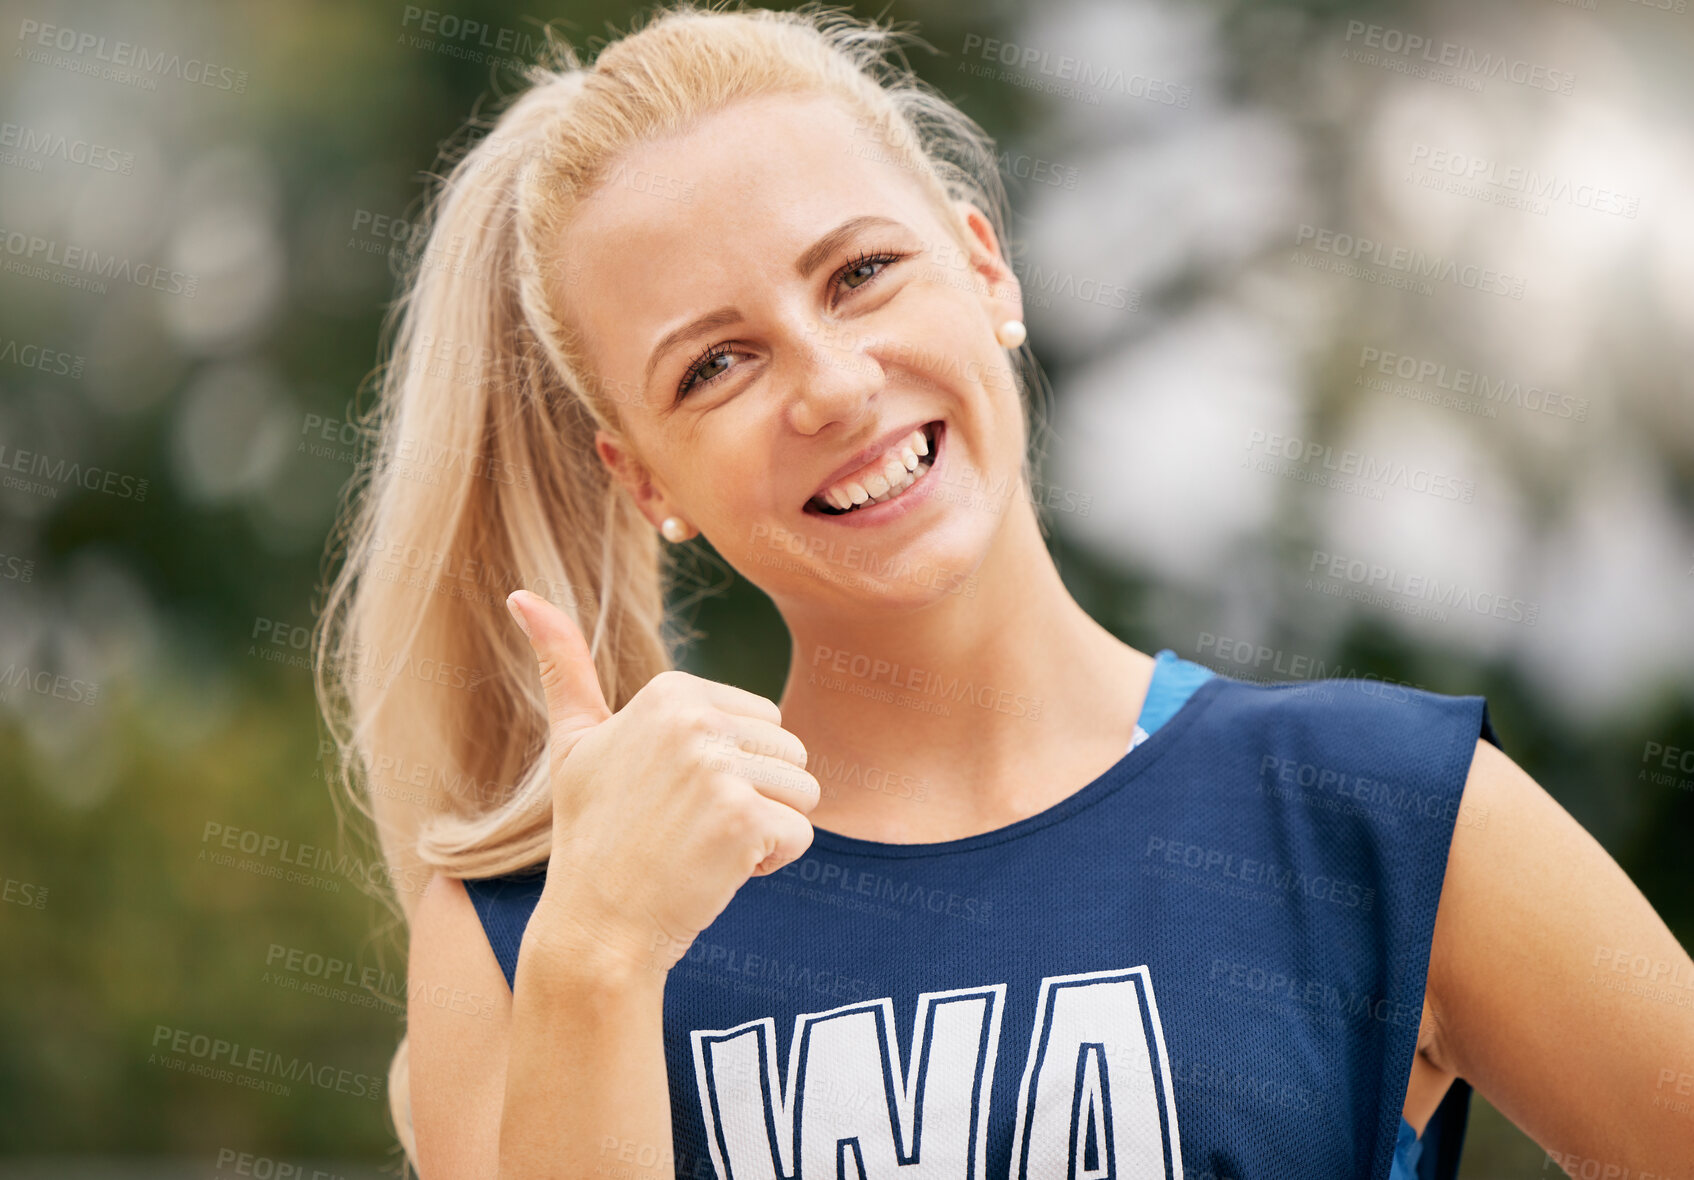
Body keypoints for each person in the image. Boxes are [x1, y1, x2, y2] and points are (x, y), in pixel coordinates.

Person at [311, 3, 1694, 1177]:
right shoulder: (533, 927)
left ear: (983, 271)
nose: (832, 385)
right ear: (642, 478)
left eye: (859, 274)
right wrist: (599, 958)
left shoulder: (1368, 808)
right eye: (713, 367)